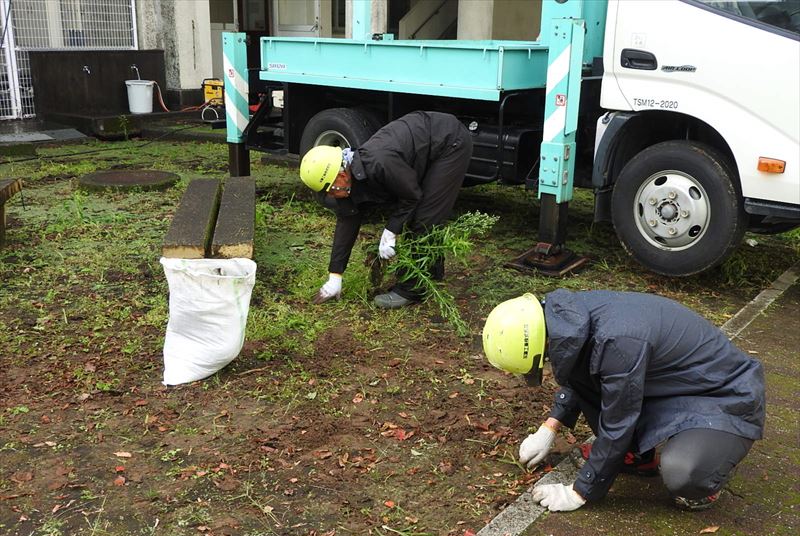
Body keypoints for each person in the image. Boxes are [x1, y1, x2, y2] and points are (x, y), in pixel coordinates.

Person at [482, 290, 765, 512]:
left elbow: (619, 421)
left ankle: (707, 477)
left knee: (682, 473)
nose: (545, 365)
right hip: (670, 385)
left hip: (723, 396)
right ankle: (638, 458)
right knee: (598, 386)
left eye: (541, 361)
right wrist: (550, 427)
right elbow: (579, 372)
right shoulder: (568, 318)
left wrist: (580, 491)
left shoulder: (617, 344)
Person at [299, 111, 472, 308]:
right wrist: (335, 276)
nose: (331, 195)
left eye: (330, 189)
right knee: (423, 214)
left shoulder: (378, 162)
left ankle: (410, 291)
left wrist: (391, 230)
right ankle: (431, 272)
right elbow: (347, 219)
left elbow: (412, 195)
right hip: (422, 148)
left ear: (340, 174)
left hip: (449, 142)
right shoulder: (348, 177)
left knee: (425, 217)